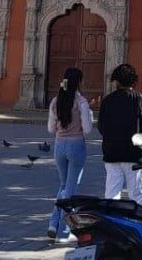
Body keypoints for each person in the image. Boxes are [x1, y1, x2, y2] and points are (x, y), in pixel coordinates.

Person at [46, 67, 93, 243]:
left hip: (59, 146)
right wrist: (89, 116)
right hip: (76, 146)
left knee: (63, 186)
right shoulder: (81, 102)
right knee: (71, 190)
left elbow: (50, 128)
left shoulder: (55, 101)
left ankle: (53, 224)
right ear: (79, 82)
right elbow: (87, 130)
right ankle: (65, 230)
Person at [98, 63, 142, 205]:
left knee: (111, 194)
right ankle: (139, 224)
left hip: (112, 153)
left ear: (117, 81)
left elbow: (101, 127)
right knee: (136, 194)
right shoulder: (140, 99)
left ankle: (111, 223)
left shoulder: (108, 101)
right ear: (133, 81)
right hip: (134, 154)